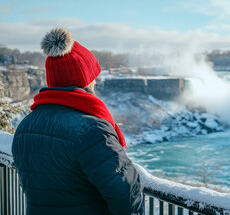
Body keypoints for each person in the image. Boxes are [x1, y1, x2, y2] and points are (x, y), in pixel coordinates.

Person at [12, 28, 144, 215]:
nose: (95, 83)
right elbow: (126, 194)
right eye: (93, 78)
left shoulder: (26, 126)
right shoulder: (92, 131)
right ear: (84, 81)